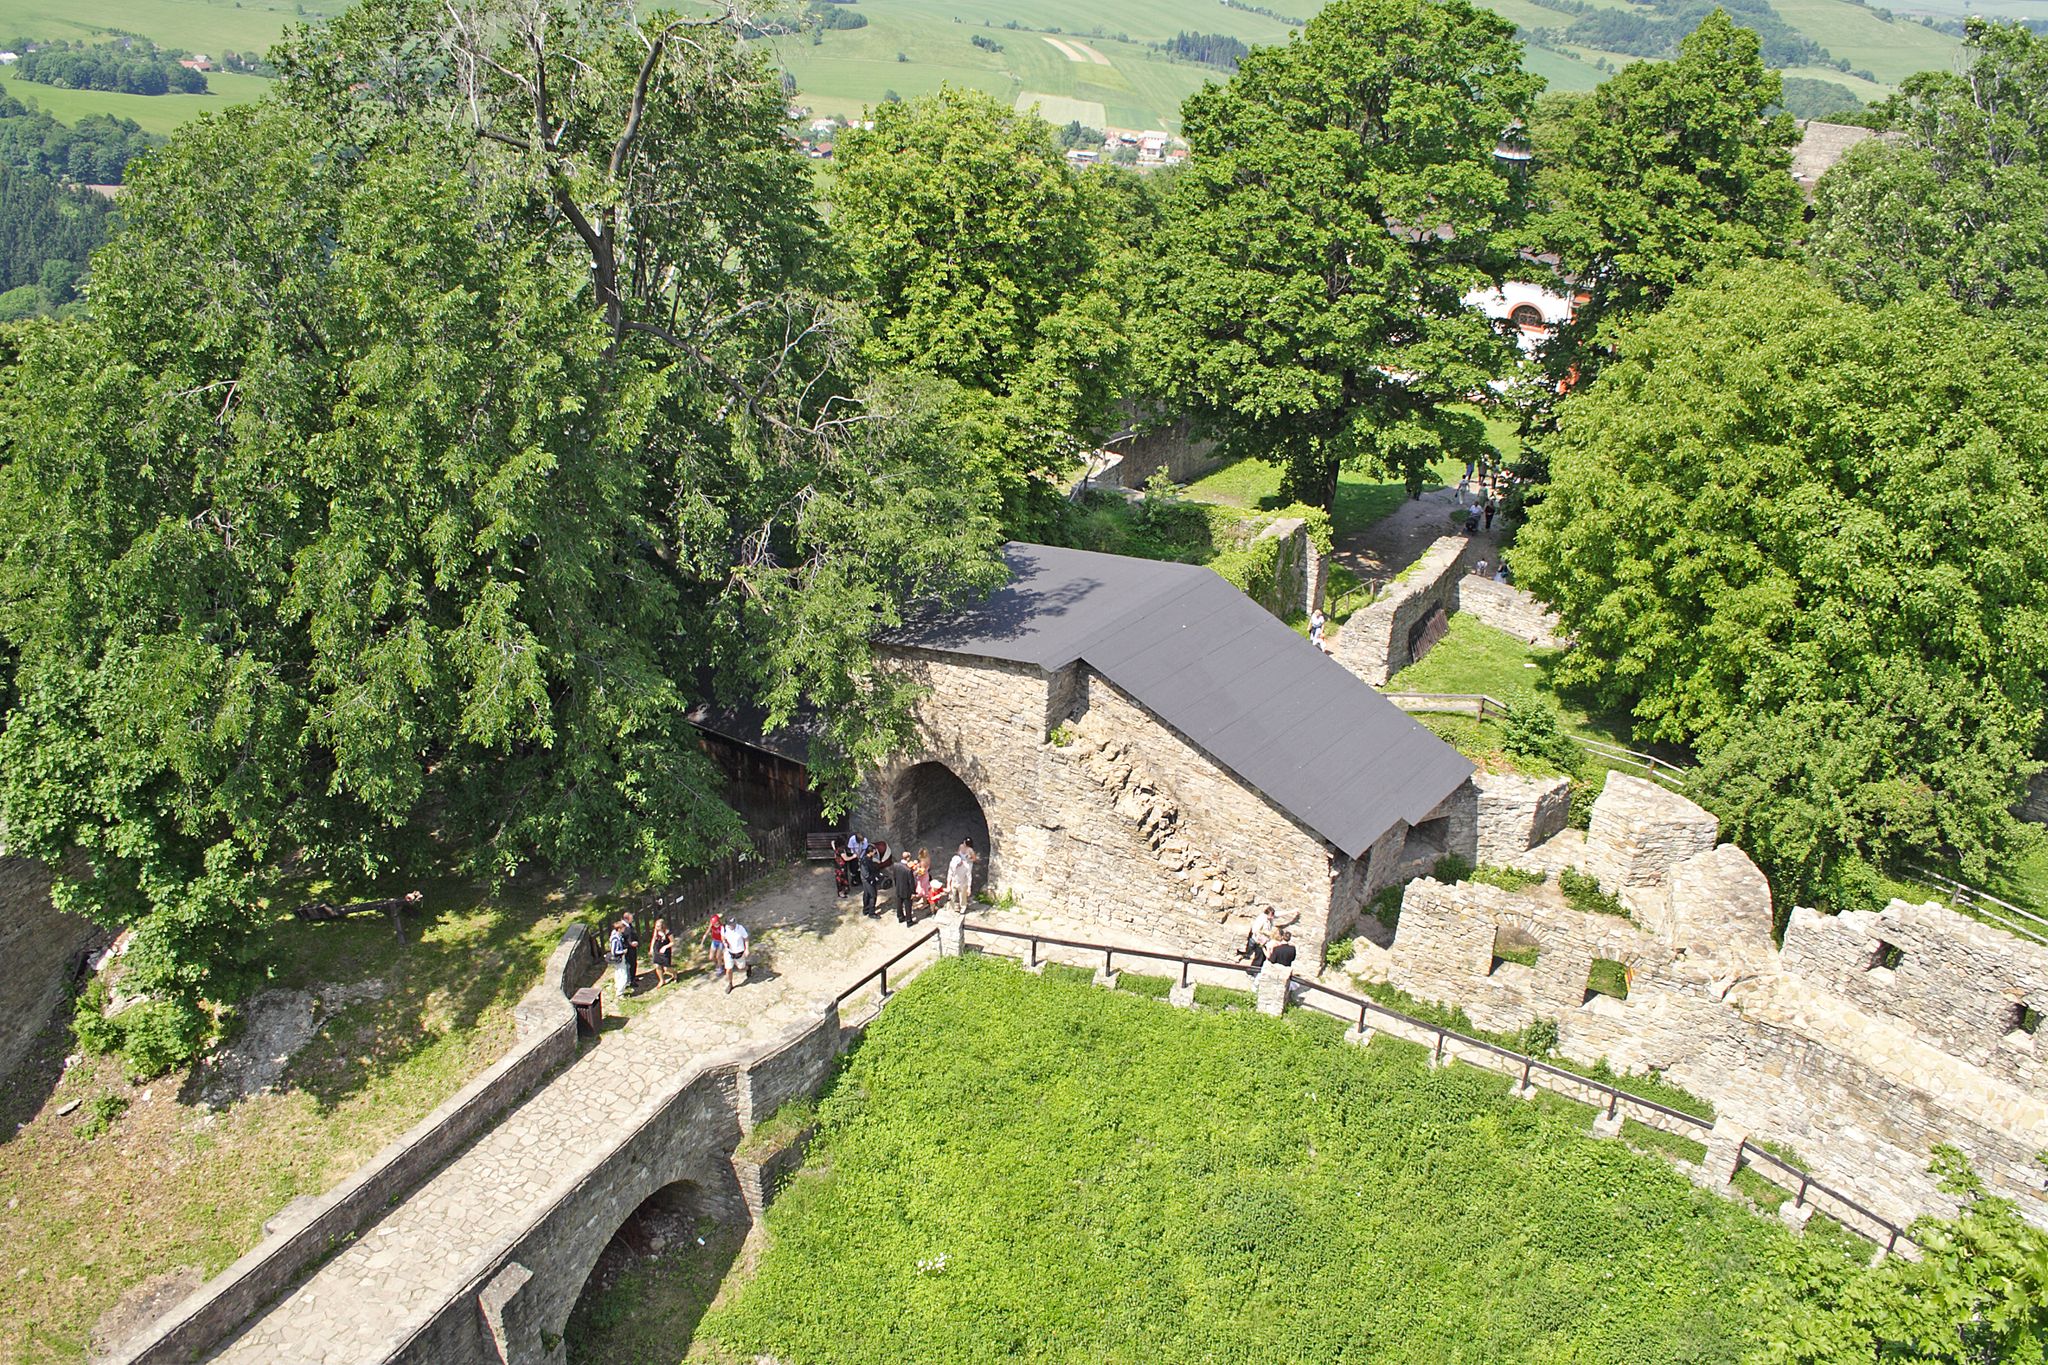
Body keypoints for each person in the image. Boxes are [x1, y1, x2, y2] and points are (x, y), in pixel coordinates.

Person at [721, 919, 751, 993]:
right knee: (728, 969)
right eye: (730, 924)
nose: (732, 925)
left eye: (733, 923)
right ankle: (730, 984)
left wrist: (747, 949)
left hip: (739, 952)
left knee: (741, 968)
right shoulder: (724, 928)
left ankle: (748, 968)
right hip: (729, 952)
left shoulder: (740, 928)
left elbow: (746, 938)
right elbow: (722, 937)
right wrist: (724, 942)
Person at [861, 840, 889, 918]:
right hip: (868, 880)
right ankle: (871, 913)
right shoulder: (865, 861)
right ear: (870, 852)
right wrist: (874, 879)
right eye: (873, 851)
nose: (875, 852)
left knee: (867, 894)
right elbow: (866, 874)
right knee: (872, 896)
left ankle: (866, 909)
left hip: (866, 880)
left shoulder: (867, 859)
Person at [946, 840, 976, 911]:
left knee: (962, 897)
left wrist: (969, 887)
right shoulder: (952, 864)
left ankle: (963, 908)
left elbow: (969, 877)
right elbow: (949, 873)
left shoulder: (966, 867)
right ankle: (951, 908)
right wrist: (948, 884)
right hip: (954, 881)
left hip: (962, 883)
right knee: (951, 895)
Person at [608, 919, 632, 998]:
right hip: (619, 958)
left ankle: (618, 986)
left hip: (620, 958)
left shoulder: (618, 935)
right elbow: (614, 951)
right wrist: (623, 951)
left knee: (618, 973)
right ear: (619, 929)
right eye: (623, 928)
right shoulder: (615, 939)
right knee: (623, 975)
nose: (624, 929)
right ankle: (620, 993)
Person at [891, 855, 917, 925]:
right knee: (908, 905)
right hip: (906, 890)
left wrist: (896, 886)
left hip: (899, 888)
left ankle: (900, 917)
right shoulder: (908, 870)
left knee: (899, 903)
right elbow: (911, 883)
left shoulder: (895, 865)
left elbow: (894, 877)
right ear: (907, 858)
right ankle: (909, 921)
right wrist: (913, 892)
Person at [648, 918, 675, 988]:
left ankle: (674, 973)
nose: (656, 927)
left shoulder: (668, 932)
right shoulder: (656, 931)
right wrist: (651, 948)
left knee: (666, 968)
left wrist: (665, 947)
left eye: (658, 926)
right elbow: (654, 939)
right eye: (656, 926)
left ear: (662, 926)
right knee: (657, 965)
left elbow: (672, 942)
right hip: (657, 949)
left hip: (665, 951)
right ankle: (661, 980)